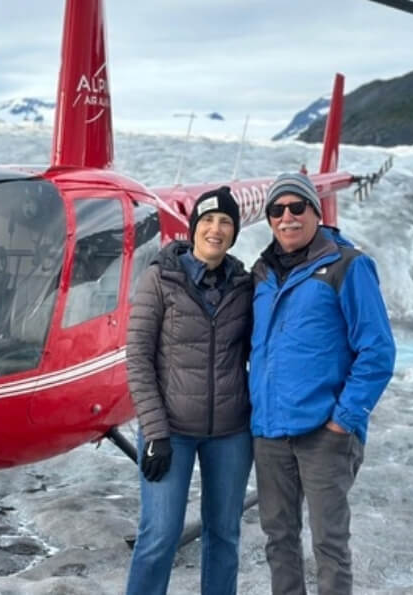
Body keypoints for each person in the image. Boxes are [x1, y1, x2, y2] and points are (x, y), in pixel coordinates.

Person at [249, 173, 395, 595]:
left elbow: (377, 351)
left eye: (298, 208)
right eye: (277, 210)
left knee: (329, 544)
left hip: (323, 434)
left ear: (316, 211)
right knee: (279, 541)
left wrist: (343, 420)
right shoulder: (262, 274)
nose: (288, 217)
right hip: (271, 433)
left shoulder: (348, 265)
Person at [125, 186, 254, 595]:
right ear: (194, 226)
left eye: (226, 222)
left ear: (233, 233)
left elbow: (261, 351)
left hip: (232, 433)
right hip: (171, 431)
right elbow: (139, 358)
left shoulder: (243, 286)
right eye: (209, 220)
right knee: (160, 535)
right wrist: (155, 433)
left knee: (224, 535)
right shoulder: (160, 279)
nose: (216, 229)